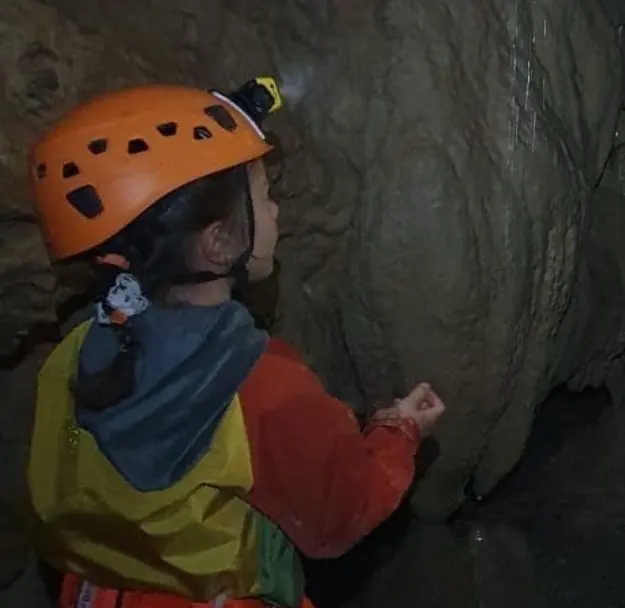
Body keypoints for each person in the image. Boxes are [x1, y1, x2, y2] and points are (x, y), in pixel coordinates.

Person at [23, 80, 446, 608]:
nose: (275, 214)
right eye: (265, 199)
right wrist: (398, 432)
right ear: (219, 242)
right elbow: (339, 512)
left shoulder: (73, 354)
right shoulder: (262, 387)